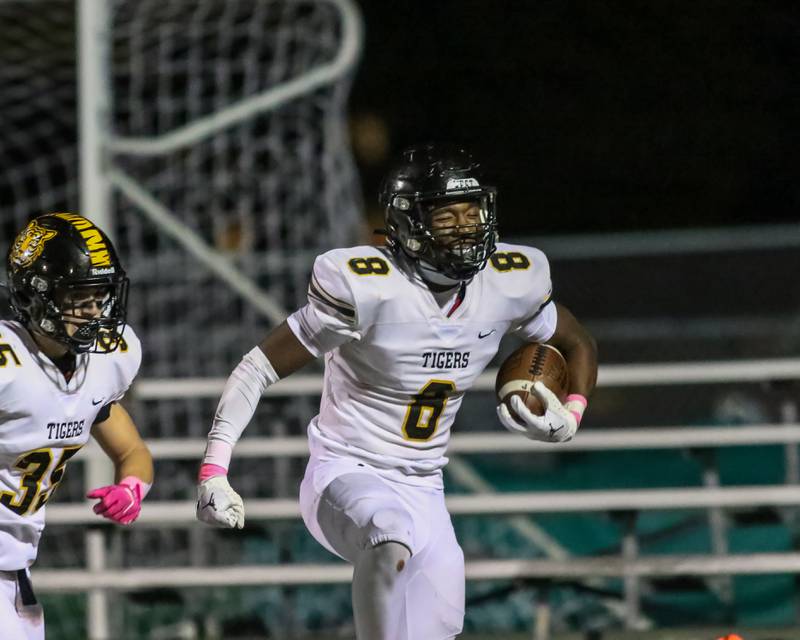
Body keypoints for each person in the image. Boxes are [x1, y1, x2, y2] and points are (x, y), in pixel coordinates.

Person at [195, 144, 598, 639]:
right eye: (447, 216)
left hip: (425, 486)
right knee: (389, 534)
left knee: (436, 623)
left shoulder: (508, 282)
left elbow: (575, 342)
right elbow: (257, 367)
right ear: (408, 223)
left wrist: (571, 413)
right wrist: (215, 469)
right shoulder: (368, 284)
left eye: (473, 212)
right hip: (343, 472)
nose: (467, 227)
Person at [0, 213, 153, 639]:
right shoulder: (7, 361)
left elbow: (131, 451)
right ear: (37, 295)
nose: (93, 309)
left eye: (100, 295)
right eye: (78, 296)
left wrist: (132, 488)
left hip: (14, 567)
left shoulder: (106, 363)